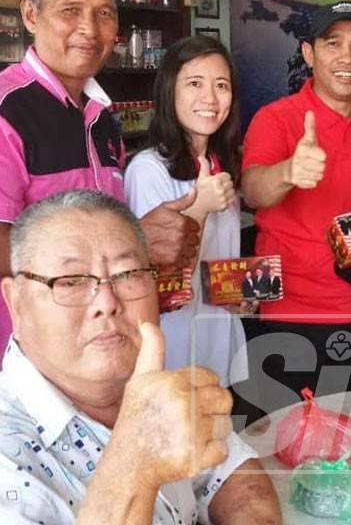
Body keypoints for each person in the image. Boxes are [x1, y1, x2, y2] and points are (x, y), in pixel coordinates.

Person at [0, 190, 281, 524]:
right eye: (70, 281)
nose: (106, 301)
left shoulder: (149, 382)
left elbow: (231, 472)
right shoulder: (8, 459)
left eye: (128, 274)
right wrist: (134, 462)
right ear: (15, 302)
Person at [0, 0, 198, 363]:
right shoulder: (8, 110)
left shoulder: (103, 120)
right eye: (69, 10)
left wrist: (139, 241)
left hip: (95, 350)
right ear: (31, 15)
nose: (88, 29)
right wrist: (132, 243)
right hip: (25, 357)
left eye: (104, 13)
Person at [241, 1, 351, 401]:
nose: (347, 57)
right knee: (294, 446)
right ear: (309, 53)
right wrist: (288, 172)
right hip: (291, 314)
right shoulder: (276, 118)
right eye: (333, 44)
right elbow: (251, 189)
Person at [125, 35, 247, 390]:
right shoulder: (149, 170)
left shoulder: (218, 164)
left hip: (218, 344)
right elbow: (159, 283)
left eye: (221, 85)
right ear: (169, 92)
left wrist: (239, 290)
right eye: (195, 83)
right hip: (175, 351)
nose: (210, 98)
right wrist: (201, 207)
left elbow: (216, 264)